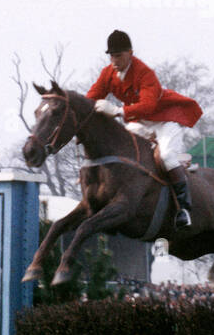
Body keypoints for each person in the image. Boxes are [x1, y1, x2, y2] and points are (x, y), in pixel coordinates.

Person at [85, 30, 203, 227]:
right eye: (111, 56)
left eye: (119, 56)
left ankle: (183, 208)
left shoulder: (145, 73)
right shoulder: (108, 73)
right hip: (139, 121)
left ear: (130, 53)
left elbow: (148, 106)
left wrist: (116, 111)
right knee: (120, 147)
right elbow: (91, 96)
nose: (114, 60)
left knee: (165, 156)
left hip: (164, 121)